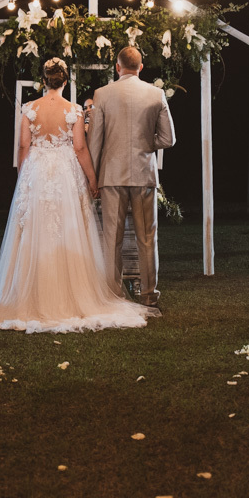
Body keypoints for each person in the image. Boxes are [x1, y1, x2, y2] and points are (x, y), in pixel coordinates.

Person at [0, 58, 155, 332]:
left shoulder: (29, 109)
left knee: (33, 229)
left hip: (37, 173)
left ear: (43, 81)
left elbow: (23, 146)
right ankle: (71, 293)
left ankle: (30, 294)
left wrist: (23, 176)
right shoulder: (74, 110)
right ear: (65, 81)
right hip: (64, 174)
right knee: (68, 227)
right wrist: (92, 179)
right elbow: (80, 148)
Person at [88, 47, 177, 309]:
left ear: (117, 67)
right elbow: (168, 139)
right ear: (141, 67)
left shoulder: (102, 94)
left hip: (111, 175)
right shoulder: (156, 93)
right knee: (147, 238)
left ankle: (113, 296)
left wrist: (92, 177)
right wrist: (146, 143)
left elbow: (95, 141)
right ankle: (149, 296)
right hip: (143, 173)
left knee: (111, 240)